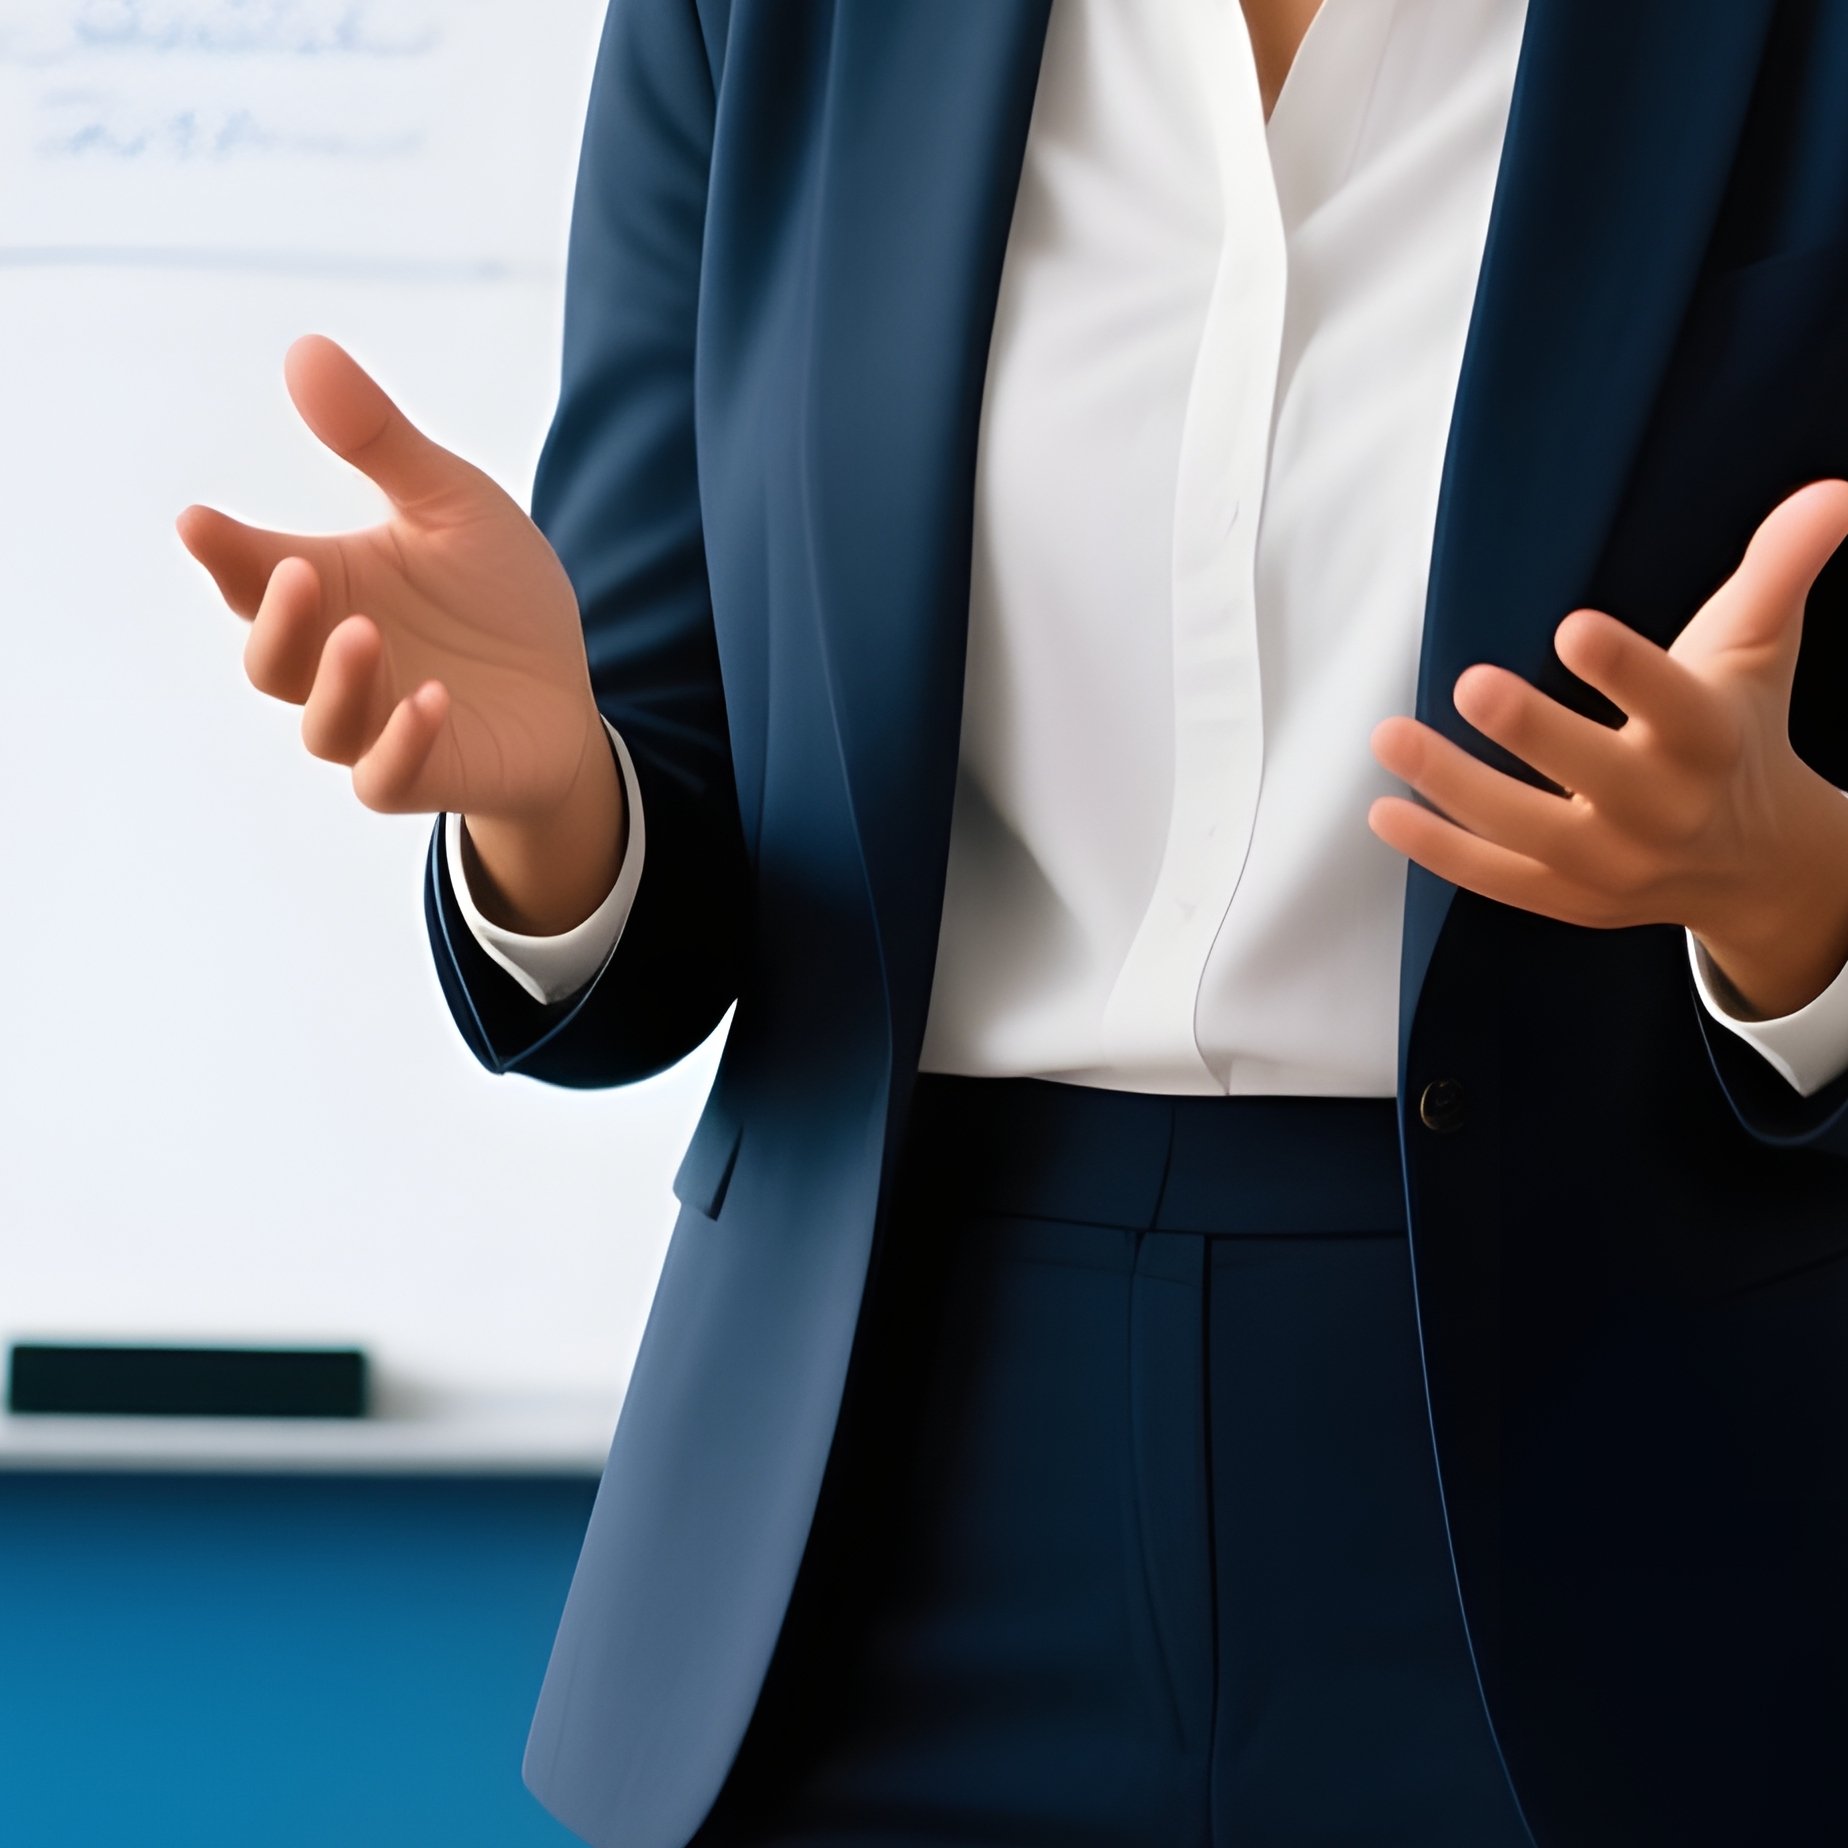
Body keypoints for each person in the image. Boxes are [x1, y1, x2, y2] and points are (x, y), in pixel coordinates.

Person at [177, 1, 1848, 1842]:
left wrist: (1797, 891)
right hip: (882, 1477)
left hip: (1635, 1478)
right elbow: (682, 853)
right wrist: (548, 794)